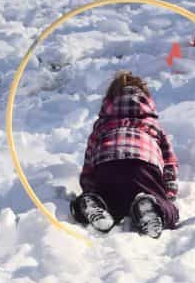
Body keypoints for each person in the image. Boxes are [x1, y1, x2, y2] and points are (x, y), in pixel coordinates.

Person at [70, 71, 179, 238]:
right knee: (168, 210)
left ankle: (91, 204)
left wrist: (90, 190)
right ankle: (151, 207)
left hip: (107, 166)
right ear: (146, 101)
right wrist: (167, 194)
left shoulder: (101, 126)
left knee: (111, 204)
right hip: (143, 167)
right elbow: (169, 162)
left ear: (109, 101)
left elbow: (89, 165)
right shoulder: (153, 125)